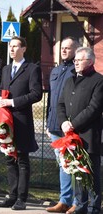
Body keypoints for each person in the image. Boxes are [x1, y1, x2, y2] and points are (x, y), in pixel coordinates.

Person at [0, 36, 43, 210]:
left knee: (22, 159)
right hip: (6, 121)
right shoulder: (6, 69)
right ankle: (12, 195)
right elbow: (1, 90)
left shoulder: (32, 69)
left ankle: (21, 199)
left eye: (15, 46)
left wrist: (12, 102)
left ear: (24, 49)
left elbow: (36, 94)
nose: (12, 49)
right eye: (10, 46)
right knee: (9, 158)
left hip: (22, 120)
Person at [57, 47, 103, 214]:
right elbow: (60, 104)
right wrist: (63, 123)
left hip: (88, 135)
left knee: (91, 172)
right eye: (75, 59)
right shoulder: (70, 80)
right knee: (76, 170)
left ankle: (94, 207)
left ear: (90, 62)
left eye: (79, 59)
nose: (75, 61)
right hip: (71, 135)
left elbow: (94, 108)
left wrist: (73, 124)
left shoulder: (98, 81)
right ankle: (80, 205)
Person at [45, 37, 80, 213]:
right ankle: (64, 200)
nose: (64, 50)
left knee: (74, 164)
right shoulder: (56, 71)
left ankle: (77, 201)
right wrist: (47, 122)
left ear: (76, 50)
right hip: (54, 126)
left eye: (68, 48)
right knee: (62, 165)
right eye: (62, 48)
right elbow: (51, 99)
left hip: (69, 127)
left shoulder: (77, 71)